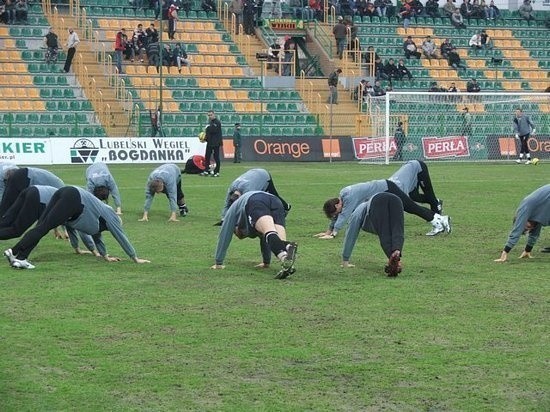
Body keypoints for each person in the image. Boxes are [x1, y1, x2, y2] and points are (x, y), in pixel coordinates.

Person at [4, 186, 150, 270]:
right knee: (44, 228)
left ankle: (21, 258)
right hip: (74, 198)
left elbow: (91, 234)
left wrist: (103, 255)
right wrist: (134, 257)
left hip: (66, 192)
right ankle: (14, 251)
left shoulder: (95, 222)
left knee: (42, 226)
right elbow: (120, 236)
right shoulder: (110, 215)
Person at [316, 179, 450, 239]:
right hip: (385, 189)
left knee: (411, 207)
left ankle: (439, 220)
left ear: (336, 205)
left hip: (388, 188)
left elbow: (343, 216)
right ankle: (438, 221)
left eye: (335, 212)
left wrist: (333, 233)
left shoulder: (348, 198)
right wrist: (328, 230)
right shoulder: (343, 196)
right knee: (410, 208)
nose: (337, 215)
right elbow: (339, 216)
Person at [212, 191, 298, 280]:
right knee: (277, 238)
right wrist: (266, 262)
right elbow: (264, 238)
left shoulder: (232, 212)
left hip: (255, 201)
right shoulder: (246, 217)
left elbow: (225, 235)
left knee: (269, 232)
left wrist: (218, 263)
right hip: (276, 201)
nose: (238, 236)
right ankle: (287, 252)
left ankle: (285, 255)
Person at [341, 193, 404, 277]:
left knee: (384, 234)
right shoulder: (364, 206)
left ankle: (394, 259)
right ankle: (396, 252)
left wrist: (345, 259)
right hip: (396, 198)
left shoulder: (356, 213)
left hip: (377, 201)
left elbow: (350, 236)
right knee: (397, 229)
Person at [494, 184, 550, 263]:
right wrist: (527, 250)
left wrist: (505, 253)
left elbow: (516, 231)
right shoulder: (535, 217)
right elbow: (535, 233)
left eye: (526, 227)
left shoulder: (524, 209)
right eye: (528, 229)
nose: (530, 227)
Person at [219, 168, 290, 222]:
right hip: (253, 174)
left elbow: (246, 208)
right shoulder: (231, 188)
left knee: (272, 196)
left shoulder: (248, 191)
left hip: (263, 175)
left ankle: (286, 207)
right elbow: (226, 205)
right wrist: (224, 218)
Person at [0, 185, 69, 241]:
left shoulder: (66, 195)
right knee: (16, 231)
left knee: (6, 221)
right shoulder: (70, 206)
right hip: (37, 197)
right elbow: (60, 217)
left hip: (31, 189)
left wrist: (57, 230)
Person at [200, 110, 223, 177]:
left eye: (211, 115)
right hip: (210, 143)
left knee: (216, 157)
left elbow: (214, 131)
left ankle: (217, 172)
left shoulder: (217, 122)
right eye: (208, 115)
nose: (210, 116)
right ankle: (206, 171)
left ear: (214, 114)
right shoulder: (210, 123)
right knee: (207, 157)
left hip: (216, 143)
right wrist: (205, 139)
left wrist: (208, 127)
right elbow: (208, 133)